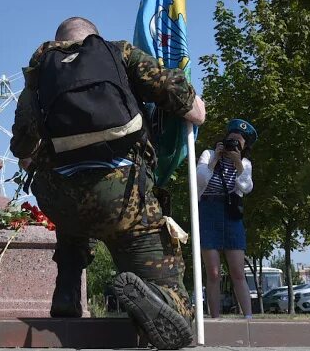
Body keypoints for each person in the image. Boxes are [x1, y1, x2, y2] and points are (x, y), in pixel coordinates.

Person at [10, 17, 206, 350]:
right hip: (124, 197)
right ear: (93, 39)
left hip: (62, 201)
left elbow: (23, 148)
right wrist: (195, 109)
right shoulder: (118, 54)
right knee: (180, 311)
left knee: (69, 205)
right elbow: (173, 90)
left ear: (57, 42)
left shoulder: (39, 74)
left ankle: (67, 293)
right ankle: (158, 298)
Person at [196, 119, 257, 318]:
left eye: (237, 143)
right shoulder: (209, 155)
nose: (233, 145)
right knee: (213, 272)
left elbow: (246, 188)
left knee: (238, 271)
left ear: (244, 147)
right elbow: (198, 179)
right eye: (231, 140)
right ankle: (215, 318)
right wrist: (215, 160)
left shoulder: (245, 164)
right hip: (208, 211)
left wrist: (238, 163)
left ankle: (248, 317)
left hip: (231, 214)